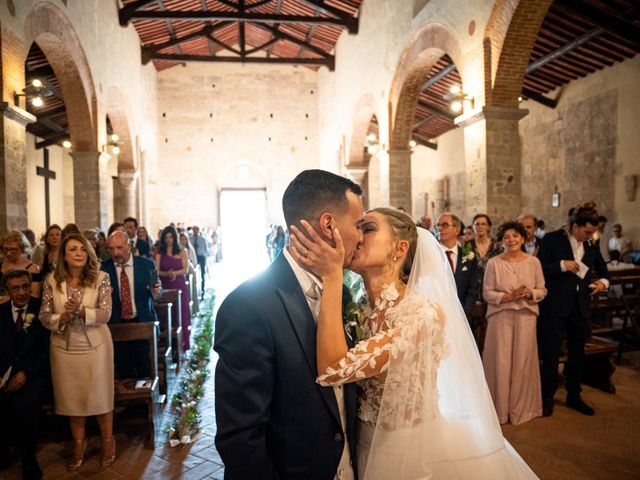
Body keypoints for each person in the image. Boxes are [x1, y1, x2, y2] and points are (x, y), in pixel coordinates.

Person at [289, 207, 538, 479]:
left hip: (403, 453)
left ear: (400, 248)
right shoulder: (357, 305)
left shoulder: (420, 314)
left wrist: (332, 275)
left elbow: (334, 368)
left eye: (368, 228)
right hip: (359, 444)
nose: (357, 236)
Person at [214, 169, 364, 479]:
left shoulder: (344, 292)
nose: (361, 237)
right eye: (358, 225)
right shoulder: (248, 306)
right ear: (329, 224)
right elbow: (241, 438)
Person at [39, 233, 115, 470]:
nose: (79, 253)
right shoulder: (52, 281)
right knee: (73, 400)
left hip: (96, 347)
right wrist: (62, 316)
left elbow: (106, 314)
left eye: (83, 249)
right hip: (64, 348)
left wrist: (81, 311)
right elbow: (43, 315)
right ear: (64, 254)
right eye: (73, 249)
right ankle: (79, 445)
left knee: (100, 397)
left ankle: (107, 442)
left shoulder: (101, 278)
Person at [537, 204, 609, 417]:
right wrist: (561, 265)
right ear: (575, 226)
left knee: (577, 354)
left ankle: (574, 396)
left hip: (580, 306)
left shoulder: (592, 242)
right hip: (555, 307)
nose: (589, 236)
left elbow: (602, 269)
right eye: (586, 232)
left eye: (592, 233)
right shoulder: (551, 239)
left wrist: (603, 283)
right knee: (551, 354)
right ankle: (546, 397)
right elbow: (539, 268)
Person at [482, 221, 547, 425]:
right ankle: (499, 411)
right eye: (507, 237)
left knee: (523, 362)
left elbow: (542, 290)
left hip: (526, 317)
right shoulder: (494, 263)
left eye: (515, 236)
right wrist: (510, 295)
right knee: (500, 362)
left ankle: (522, 409)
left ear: (522, 238)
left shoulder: (533, 262)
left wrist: (529, 293)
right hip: (501, 317)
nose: (511, 240)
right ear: (501, 241)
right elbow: (487, 293)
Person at [0, 270, 49, 480]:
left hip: (33, 375)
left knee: (25, 403)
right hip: (3, 375)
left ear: (31, 287)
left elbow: (46, 351)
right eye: (15, 288)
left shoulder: (42, 311)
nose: (21, 293)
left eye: (25, 287)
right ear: (7, 291)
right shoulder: (0, 312)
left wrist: (25, 374)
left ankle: (29, 460)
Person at [101, 231, 162, 378]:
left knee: (144, 366)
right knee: (123, 368)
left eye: (119, 248)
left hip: (142, 322)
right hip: (116, 324)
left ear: (129, 246)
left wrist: (156, 290)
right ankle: (128, 400)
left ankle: (145, 398)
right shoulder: (103, 269)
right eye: (111, 249)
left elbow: (157, 294)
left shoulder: (147, 264)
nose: (115, 252)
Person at [436, 213, 478, 319]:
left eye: (445, 225)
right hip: (435, 314)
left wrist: (464, 312)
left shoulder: (469, 256)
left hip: (461, 315)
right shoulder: (431, 254)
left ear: (457, 229)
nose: (440, 228)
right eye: (438, 225)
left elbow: (472, 288)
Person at [156, 226, 191, 351]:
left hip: (179, 284)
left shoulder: (182, 251)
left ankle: (183, 343)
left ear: (174, 237)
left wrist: (175, 273)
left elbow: (185, 269)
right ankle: (169, 345)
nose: (168, 239)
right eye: (166, 237)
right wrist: (167, 274)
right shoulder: (160, 252)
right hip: (166, 285)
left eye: (170, 237)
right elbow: (157, 270)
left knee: (181, 313)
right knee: (167, 315)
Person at [0, 231, 41, 302]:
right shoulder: (1, 265)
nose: (8, 253)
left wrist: (8, 299)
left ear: (22, 249)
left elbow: (34, 295)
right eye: (5, 249)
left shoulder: (32, 268)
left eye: (13, 249)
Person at [190, 226, 210, 296]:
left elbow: (206, 249)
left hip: (201, 257)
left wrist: (205, 256)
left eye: (196, 230)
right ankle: (195, 290)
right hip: (194, 257)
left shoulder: (202, 239)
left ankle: (203, 289)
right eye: (194, 230)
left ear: (198, 230)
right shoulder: (190, 239)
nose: (195, 231)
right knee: (194, 273)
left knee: (202, 273)